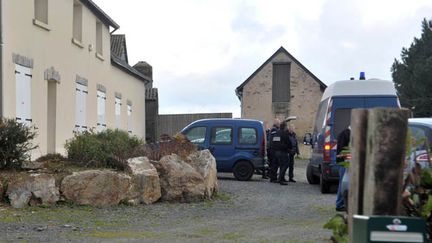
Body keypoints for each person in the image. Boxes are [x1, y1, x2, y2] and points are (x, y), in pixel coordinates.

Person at [270, 121, 292, 185]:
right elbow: (288, 142)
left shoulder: (276, 133)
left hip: (276, 152)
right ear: (285, 127)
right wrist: (288, 149)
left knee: (278, 165)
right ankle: (280, 179)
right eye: (287, 126)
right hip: (282, 152)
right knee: (285, 165)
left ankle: (276, 178)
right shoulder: (284, 133)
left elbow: (274, 142)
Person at [335, 126, 351, 212]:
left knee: (344, 183)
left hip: (346, 161)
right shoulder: (345, 134)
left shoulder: (347, 133)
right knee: (343, 183)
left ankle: (342, 203)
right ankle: (339, 204)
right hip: (344, 162)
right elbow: (341, 149)